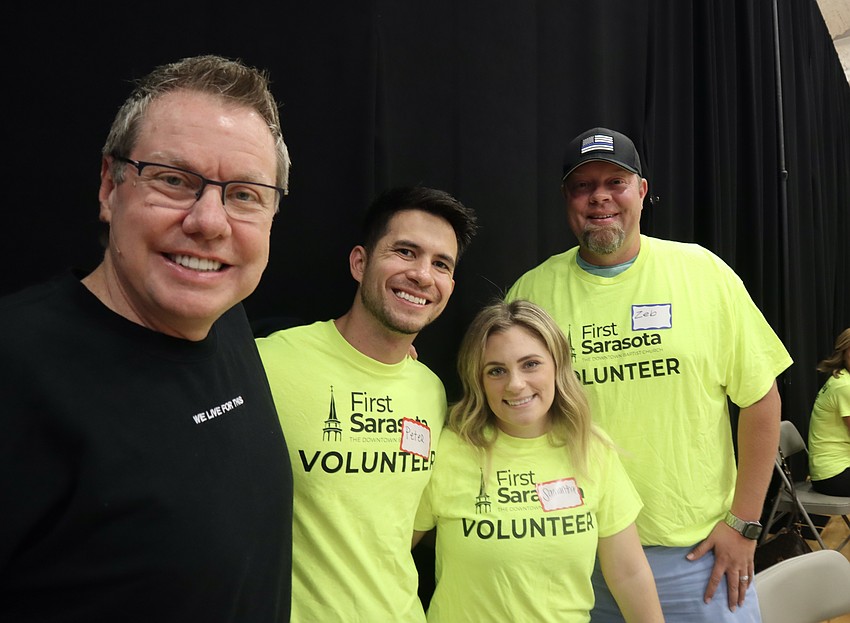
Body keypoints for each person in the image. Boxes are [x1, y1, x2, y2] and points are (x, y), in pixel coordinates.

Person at [0, 55, 294, 622]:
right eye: (174, 180)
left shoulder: (226, 319)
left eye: (244, 195)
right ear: (111, 187)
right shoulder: (15, 368)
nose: (210, 222)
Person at [507, 126, 793, 621]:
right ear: (566, 199)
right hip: (578, 557)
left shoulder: (702, 272)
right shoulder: (534, 292)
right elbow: (503, 405)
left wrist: (744, 523)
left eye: (615, 182)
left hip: (696, 559)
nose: (600, 197)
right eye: (583, 185)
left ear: (641, 191)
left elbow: (760, 399)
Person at [256, 186, 477, 622]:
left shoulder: (431, 391)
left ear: (450, 285)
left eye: (441, 264)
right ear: (360, 262)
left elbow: (396, 527)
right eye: (405, 252)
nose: (422, 275)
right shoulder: (268, 363)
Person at [412, 299, 664, 622]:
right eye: (497, 371)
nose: (515, 384)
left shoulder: (591, 449)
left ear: (557, 366)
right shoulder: (448, 450)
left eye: (530, 364)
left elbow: (628, 574)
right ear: (479, 380)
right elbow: (389, 553)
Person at [808, 328, 850, 496]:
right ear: (844, 352)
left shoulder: (842, 378)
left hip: (831, 470)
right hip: (834, 475)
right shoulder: (844, 386)